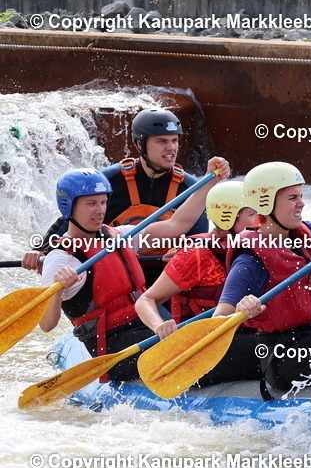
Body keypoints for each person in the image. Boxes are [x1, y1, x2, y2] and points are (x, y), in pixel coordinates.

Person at [39, 158, 231, 382]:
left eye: (103, 202)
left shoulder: (119, 236)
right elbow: (46, 324)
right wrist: (58, 292)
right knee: (196, 348)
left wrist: (209, 182)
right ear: (69, 207)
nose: (100, 211)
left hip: (147, 325)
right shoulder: (62, 257)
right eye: (91, 204)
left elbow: (177, 225)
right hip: (113, 347)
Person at [24, 108, 207, 285]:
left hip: (166, 276)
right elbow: (71, 220)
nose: (171, 148)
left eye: (174, 140)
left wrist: (183, 254)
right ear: (139, 144)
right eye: (162, 141)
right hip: (115, 274)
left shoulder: (192, 188)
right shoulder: (106, 181)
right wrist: (41, 249)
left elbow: (200, 241)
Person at [213, 162, 311, 398]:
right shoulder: (250, 261)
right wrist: (241, 311)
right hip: (285, 356)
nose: (301, 203)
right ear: (265, 204)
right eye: (292, 197)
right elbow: (219, 320)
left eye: (301, 196)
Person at [133, 181, 261, 385]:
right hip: (202, 346)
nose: (259, 220)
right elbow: (146, 299)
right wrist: (159, 327)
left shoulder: (255, 247)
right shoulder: (196, 255)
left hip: (239, 334)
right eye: (252, 213)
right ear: (227, 217)